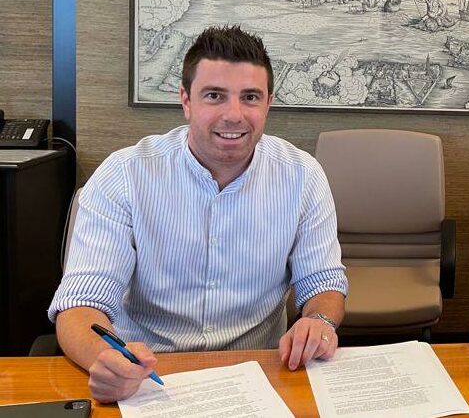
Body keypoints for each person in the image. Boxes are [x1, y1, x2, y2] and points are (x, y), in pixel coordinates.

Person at [48, 25, 348, 402]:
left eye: (250, 97)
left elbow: (323, 283)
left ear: (268, 103)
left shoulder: (302, 175)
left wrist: (318, 321)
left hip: (261, 375)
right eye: (214, 96)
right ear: (186, 100)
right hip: (146, 379)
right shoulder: (124, 175)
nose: (233, 115)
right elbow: (80, 305)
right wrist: (104, 360)